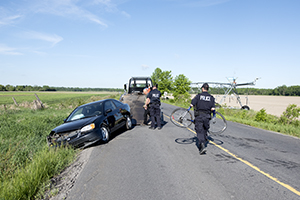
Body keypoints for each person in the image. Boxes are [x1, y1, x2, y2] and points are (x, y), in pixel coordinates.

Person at [190, 83, 215, 155]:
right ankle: (204, 140)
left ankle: (202, 145)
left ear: (202, 88)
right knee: (205, 129)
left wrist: (192, 105)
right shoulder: (211, 97)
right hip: (207, 116)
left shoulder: (198, 96)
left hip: (199, 116)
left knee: (199, 130)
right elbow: (213, 108)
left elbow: (192, 104)